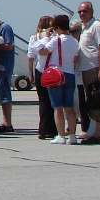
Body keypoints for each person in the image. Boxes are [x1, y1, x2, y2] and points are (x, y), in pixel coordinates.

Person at [37, 14, 79, 144]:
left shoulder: (56, 40)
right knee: (69, 107)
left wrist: (45, 38)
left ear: (56, 27)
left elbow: (42, 51)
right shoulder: (74, 41)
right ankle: (72, 135)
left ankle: (61, 135)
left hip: (57, 74)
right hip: (70, 74)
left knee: (58, 107)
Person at [75, 2, 100, 143]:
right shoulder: (84, 28)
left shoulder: (97, 26)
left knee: (96, 101)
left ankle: (98, 133)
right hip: (84, 68)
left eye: (85, 11)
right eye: (80, 12)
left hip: (93, 67)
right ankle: (92, 130)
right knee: (89, 102)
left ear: (91, 12)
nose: (82, 14)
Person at [29, 16, 58, 140]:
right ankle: (52, 128)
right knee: (53, 100)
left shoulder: (34, 37)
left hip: (40, 69)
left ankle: (42, 128)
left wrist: (30, 73)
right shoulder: (54, 37)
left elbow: (30, 57)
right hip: (53, 69)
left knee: (43, 100)